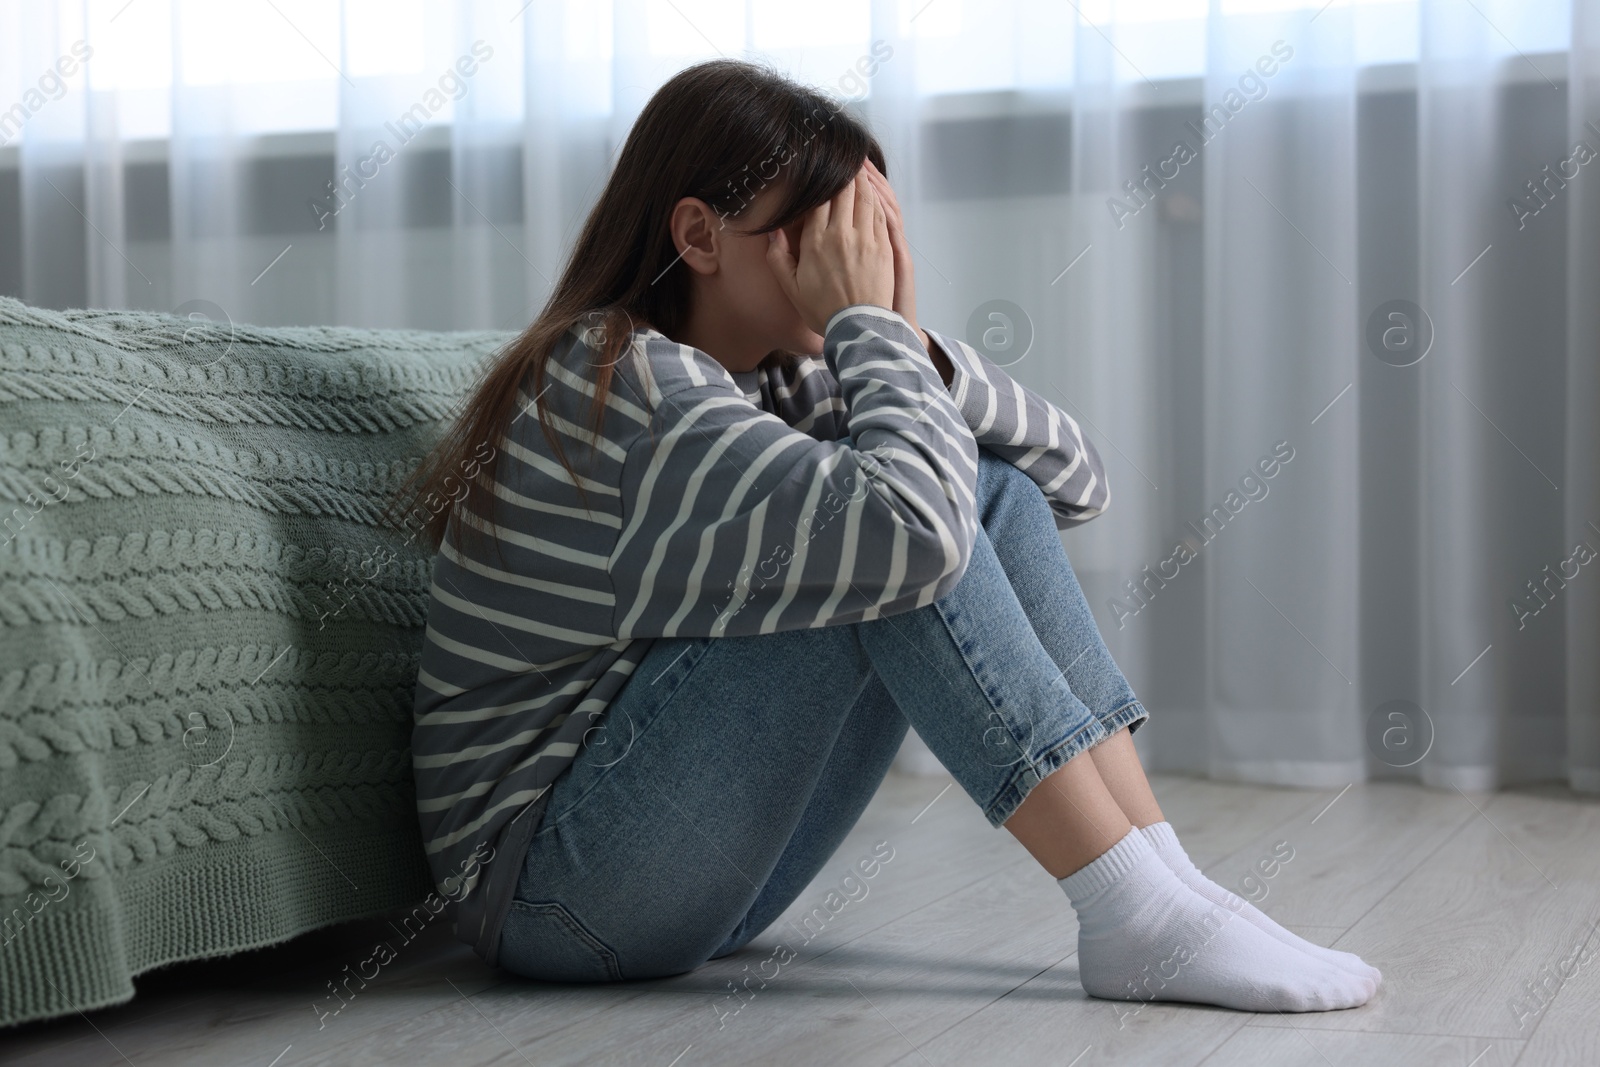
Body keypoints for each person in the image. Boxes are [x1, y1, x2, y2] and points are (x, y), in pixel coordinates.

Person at [401, 58, 1379, 1013]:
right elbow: (913, 533)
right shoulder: (626, 384)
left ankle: (1165, 885)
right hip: (551, 895)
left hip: (690, 886)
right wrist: (871, 323)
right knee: (903, 525)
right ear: (699, 235)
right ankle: (1133, 905)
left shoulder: (776, 381)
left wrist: (898, 341)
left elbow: (1076, 481)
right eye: (821, 233)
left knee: (974, 486)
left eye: (866, 234)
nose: (855, 260)